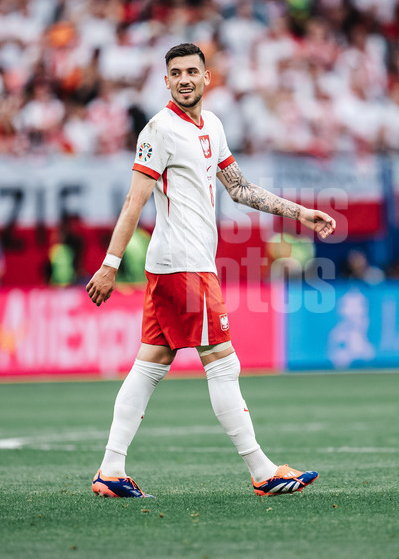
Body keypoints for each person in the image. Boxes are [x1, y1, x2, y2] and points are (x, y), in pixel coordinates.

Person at [86, 43, 337, 499]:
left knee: (151, 363)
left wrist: (299, 212)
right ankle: (262, 471)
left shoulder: (213, 126)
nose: (184, 79)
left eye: (191, 71)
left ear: (206, 78)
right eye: (175, 72)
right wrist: (110, 264)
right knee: (223, 362)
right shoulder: (158, 130)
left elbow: (239, 189)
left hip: (179, 265)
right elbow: (134, 200)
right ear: (166, 80)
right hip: (183, 265)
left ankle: (111, 469)